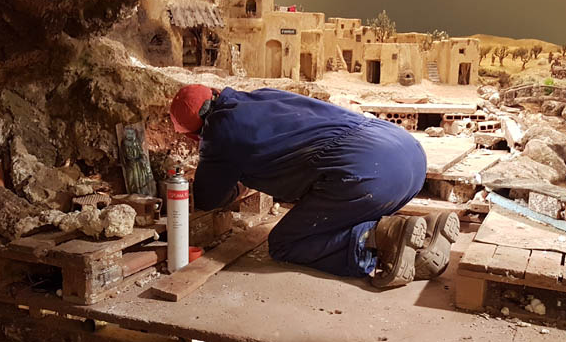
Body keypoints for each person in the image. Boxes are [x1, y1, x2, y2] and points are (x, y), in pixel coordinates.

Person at [169, 84, 458, 287]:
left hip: (368, 172)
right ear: (216, 93)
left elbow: (208, 199)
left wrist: (231, 182)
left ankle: (382, 235)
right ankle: (423, 231)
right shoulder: (261, 96)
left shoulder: (217, 135)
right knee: (340, 208)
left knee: (285, 243)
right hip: (410, 157)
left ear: (195, 133)